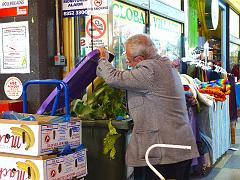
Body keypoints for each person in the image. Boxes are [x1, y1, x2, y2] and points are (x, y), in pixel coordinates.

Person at [96, 34, 199, 180]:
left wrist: (102, 59)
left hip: (164, 154)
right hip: (174, 151)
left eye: (129, 61)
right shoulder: (164, 66)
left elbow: (115, 78)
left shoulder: (150, 70)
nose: (129, 65)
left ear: (139, 59)